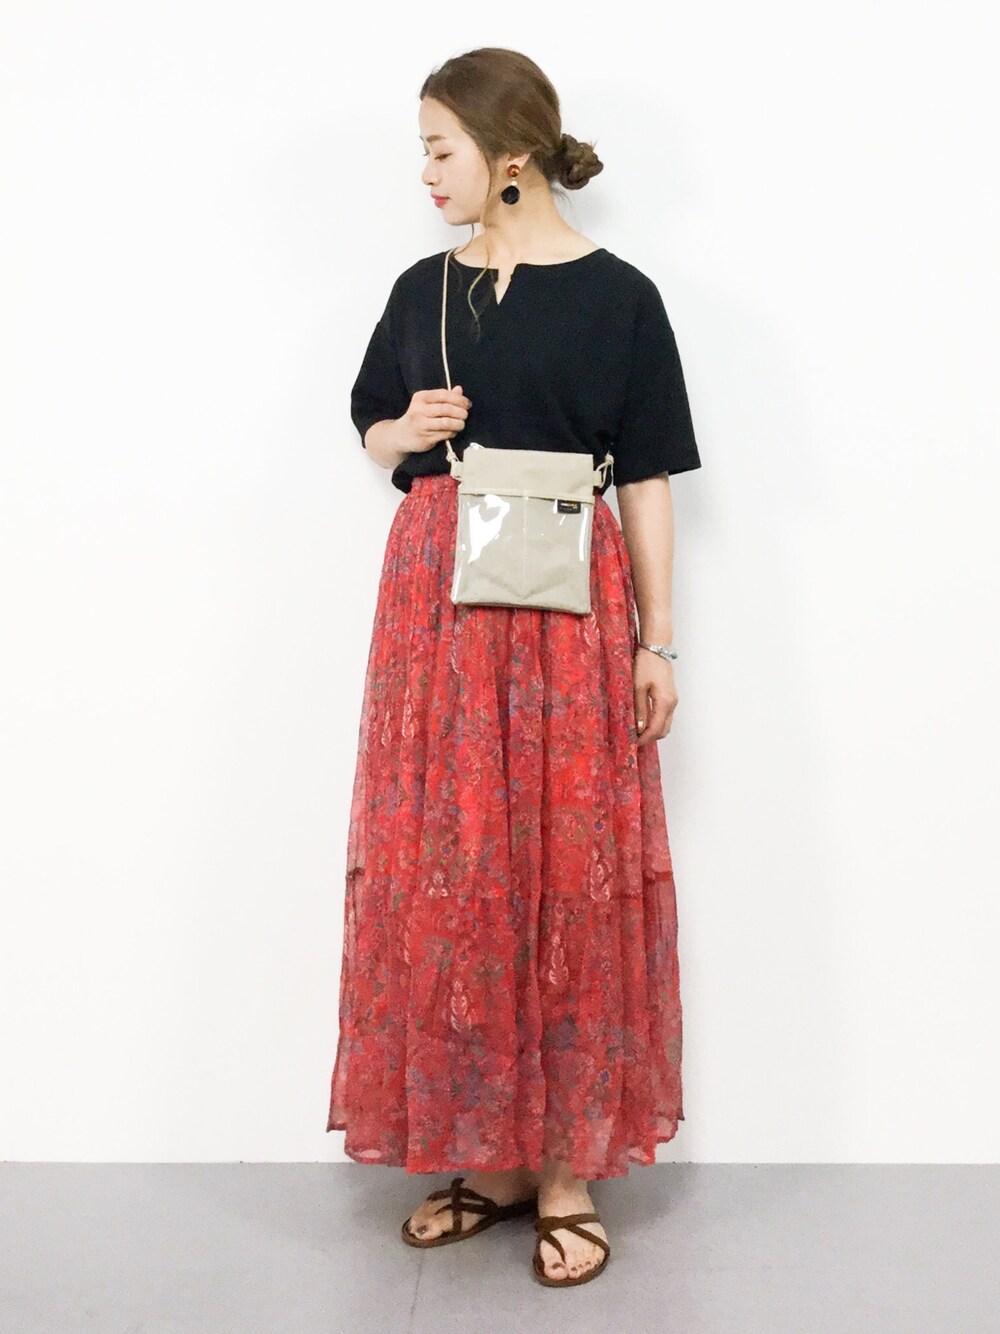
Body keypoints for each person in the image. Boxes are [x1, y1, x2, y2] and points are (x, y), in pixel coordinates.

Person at [326, 46, 702, 1288]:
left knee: (565, 871)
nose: (426, 173)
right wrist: (404, 428)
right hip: (435, 612)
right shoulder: (419, 290)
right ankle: (488, 1155)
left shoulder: (621, 298)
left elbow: (645, 474)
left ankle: (565, 1168)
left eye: (441, 148)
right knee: (457, 873)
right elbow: (371, 428)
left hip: (566, 611)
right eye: (424, 150)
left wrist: (657, 638)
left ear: (512, 157)